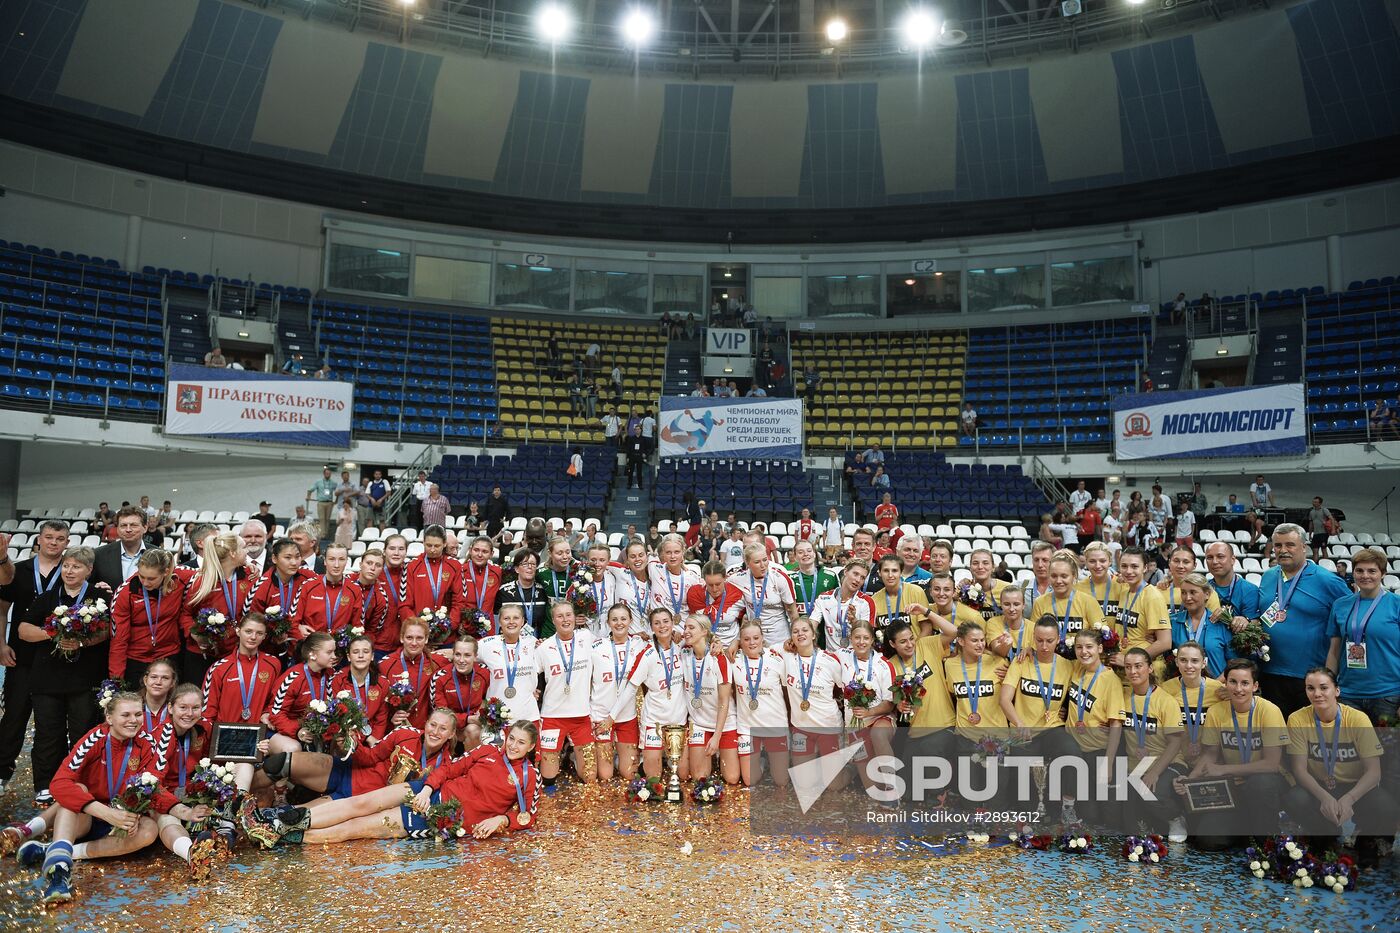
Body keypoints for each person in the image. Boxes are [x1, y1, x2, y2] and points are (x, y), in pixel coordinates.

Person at [17, 691, 207, 905]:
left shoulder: (147, 744)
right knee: (75, 789)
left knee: (149, 831)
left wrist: (183, 811)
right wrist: (106, 812)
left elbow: (152, 788)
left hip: (121, 817)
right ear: (109, 718)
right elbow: (59, 783)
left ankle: (59, 852)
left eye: (138, 714)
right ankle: (60, 876)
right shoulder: (95, 738)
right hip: (88, 817)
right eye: (125, 715)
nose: (133, 721)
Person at [243, 721, 540, 848]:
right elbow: (449, 770)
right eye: (511, 738)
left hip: (442, 816)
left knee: (356, 828)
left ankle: (281, 837)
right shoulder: (488, 751)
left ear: (530, 747)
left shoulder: (529, 776)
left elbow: (529, 816)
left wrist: (502, 818)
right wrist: (425, 788)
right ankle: (280, 820)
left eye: (521, 742)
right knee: (361, 803)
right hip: (428, 791)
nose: (513, 745)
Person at [18, 546, 109, 806]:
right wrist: (54, 634)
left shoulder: (98, 597)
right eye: (67, 566)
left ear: (89, 570)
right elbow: (23, 630)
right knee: (48, 732)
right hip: (47, 679)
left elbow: (107, 631)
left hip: (85, 679)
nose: (70, 571)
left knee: (84, 732)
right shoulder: (47, 598)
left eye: (77, 567)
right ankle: (45, 784)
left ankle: (80, 781)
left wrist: (82, 642)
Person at [1283, 668, 1397, 855]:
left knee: (1387, 807)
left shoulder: (1357, 719)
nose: (1317, 693)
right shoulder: (1297, 719)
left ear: (1337, 690)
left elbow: (1373, 771)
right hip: (1320, 785)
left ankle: (1364, 841)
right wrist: (1325, 797)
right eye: (1310, 688)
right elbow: (1299, 770)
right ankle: (1327, 835)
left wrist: (1349, 799)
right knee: (1294, 798)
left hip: (1354, 786)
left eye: (1323, 687)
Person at [1174, 657, 1288, 844]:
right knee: (1208, 841)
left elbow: (1272, 764)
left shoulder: (1270, 711)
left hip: (1265, 782)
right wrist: (1190, 779)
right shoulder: (1216, 711)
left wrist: (1224, 770)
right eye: (1233, 682)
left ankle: (1266, 840)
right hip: (1232, 786)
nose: (1238, 688)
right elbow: (1210, 755)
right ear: (1225, 683)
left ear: (1255, 686)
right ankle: (1243, 826)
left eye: (1245, 683)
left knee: (1260, 784)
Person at [0, 519, 70, 796]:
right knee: (13, 719)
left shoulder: (71, 570)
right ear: (39, 539)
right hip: (22, 655)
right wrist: (1, 644)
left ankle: (46, 782)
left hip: (57, 658)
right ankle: (2, 773)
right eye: (49, 537)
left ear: (67, 542)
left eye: (60, 538)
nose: (54, 542)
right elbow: (2, 609)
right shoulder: (19, 570)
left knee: (49, 723)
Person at [1256, 523, 1352, 713]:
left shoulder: (1328, 581)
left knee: (1310, 738)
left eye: (1290, 545)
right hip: (1270, 671)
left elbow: (1350, 622)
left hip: (1311, 676)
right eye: (1278, 545)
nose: (1283, 550)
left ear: (1304, 547)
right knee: (1276, 736)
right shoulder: (1267, 577)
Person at [608, 608, 689, 782]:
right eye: (657, 623)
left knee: (682, 775)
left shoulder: (682, 646)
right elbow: (630, 689)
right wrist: (611, 717)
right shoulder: (646, 654)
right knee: (654, 779)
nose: (662, 626)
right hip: (655, 721)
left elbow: (704, 637)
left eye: (666, 621)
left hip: (678, 720)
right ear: (651, 627)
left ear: (672, 623)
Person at [1324, 547, 1400, 726]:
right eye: (1359, 570)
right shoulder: (1340, 605)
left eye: (1372, 570)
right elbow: (1334, 651)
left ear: (1383, 573)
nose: (1365, 575)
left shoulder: (1396, 604)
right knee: (1351, 751)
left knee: (1388, 752)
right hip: (1348, 694)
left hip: (1388, 695)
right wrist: (1328, 687)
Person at [179, 531, 252, 685]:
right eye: (243, 548)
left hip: (234, 652)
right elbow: (185, 614)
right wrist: (195, 635)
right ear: (233, 553)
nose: (247, 552)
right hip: (202, 655)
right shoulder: (202, 582)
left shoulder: (249, 577)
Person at [109, 550, 186, 685]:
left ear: (166, 572)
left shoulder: (179, 580)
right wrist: (116, 679)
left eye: (151, 579)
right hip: (136, 659)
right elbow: (118, 640)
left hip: (169, 656)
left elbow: (205, 573)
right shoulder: (125, 593)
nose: (145, 582)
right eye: (141, 576)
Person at [679, 613, 739, 785]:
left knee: (732, 778)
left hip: (724, 723)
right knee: (694, 777)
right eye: (685, 627)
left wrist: (717, 736)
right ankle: (708, 761)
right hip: (699, 723)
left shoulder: (719, 659)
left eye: (691, 628)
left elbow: (724, 702)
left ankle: (722, 758)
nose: (686, 631)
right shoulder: (684, 654)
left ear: (704, 632)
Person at [1171, 573, 1233, 679]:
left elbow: (1233, 662)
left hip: (1217, 689)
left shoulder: (1221, 623)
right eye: (1183, 593)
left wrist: (1215, 685)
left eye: (1193, 592)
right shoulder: (1173, 622)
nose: (1187, 597)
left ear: (1207, 594)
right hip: (1183, 689)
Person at [738, 544, 797, 646]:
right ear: (747, 563)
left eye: (765, 560)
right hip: (754, 639)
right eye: (757, 562)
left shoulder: (780, 578)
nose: (763, 565)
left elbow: (793, 612)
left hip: (780, 637)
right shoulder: (738, 579)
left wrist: (795, 637)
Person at [1204, 541, 1261, 623]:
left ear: (1232, 560)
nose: (1214, 562)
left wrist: (1245, 621)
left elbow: (1254, 623)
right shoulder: (1202, 588)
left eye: (1220, 557)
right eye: (1209, 557)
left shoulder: (1249, 590)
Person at [92, 506, 148, 589]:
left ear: (145, 528)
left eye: (133, 525)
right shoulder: (98, 555)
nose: (128, 530)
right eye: (123, 525)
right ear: (117, 529)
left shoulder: (159, 556)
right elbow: (89, 586)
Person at [307, 468, 338, 540]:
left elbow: (338, 492)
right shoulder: (318, 482)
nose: (328, 475)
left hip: (329, 503)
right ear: (324, 474)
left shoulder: (333, 483)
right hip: (321, 502)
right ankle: (322, 535)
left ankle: (326, 534)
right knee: (322, 519)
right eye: (327, 473)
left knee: (327, 519)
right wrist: (308, 497)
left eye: (329, 473)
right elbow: (310, 490)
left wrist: (336, 501)